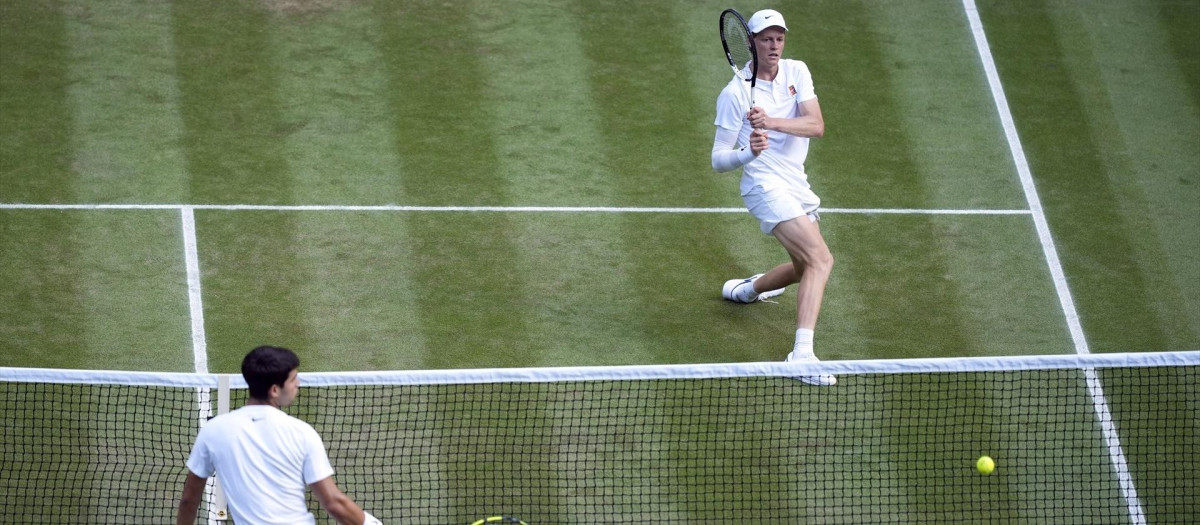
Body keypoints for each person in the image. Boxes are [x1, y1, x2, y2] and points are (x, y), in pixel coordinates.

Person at [712, 9, 836, 386]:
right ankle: (801, 356)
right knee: (820, 258)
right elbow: (718, 160)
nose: (774, 45)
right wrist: (748, 152)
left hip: (796, 183)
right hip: (763, 186)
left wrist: (771, 122)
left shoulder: (797, 71)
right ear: (751, 43)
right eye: (766, 38)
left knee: (802, 268)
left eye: (779, 37)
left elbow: (816, 126)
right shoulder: (734, 94)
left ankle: (748, 290)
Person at [176, 346, 382, 524]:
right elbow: (334, 503)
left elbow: (189, 500)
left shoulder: (213, 431)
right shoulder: (302, 433)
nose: (298, 384)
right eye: (293, 379)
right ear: (275, 390)